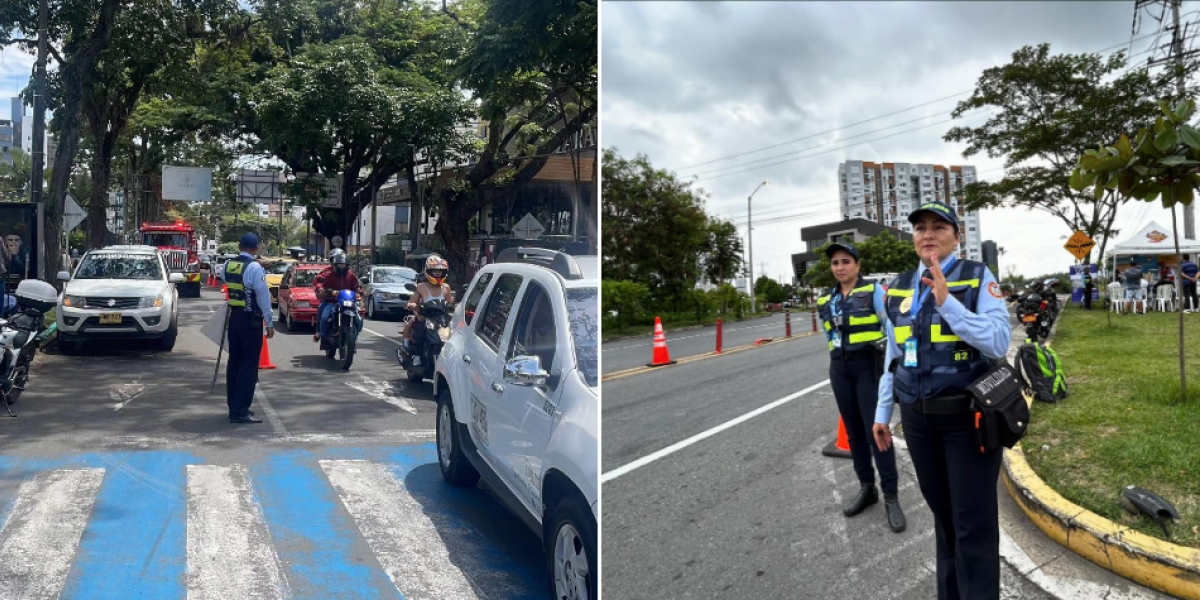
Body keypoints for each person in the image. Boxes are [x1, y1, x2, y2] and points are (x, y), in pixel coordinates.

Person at [872, 201, 1011, 600]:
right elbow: (894, 355)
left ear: (956, 235)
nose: (928, 234)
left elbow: (999, 340)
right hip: (917, 421)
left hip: (967, 420)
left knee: (973, 524)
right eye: (920, 228)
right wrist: (884, 410)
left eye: (938, 227)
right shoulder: (897, 287)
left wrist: (948, 302)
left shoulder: (976, 277)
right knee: (944, 518)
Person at [816, 242, 906, 532]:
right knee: (853, 433)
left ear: (857, 265)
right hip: (839, 368)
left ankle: (891, 495)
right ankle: (867, 488)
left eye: (845, 261)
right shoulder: (826, 299)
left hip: (869, 367)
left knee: (876, 430)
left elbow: (890, 328)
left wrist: (893, 367)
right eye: (835, 263)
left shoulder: (875, 292)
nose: (840, 267)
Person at [222, 233, 273, 424]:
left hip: (234, 318)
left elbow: (226, 284)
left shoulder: (228, 265)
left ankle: (233, 405)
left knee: (234, 361)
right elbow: (263, 297)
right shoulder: (254, 267)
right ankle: (240, 410)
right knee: (248, 365)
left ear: (239, 246)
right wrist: (269, 322)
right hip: (251, 321)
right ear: (255, 248)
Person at [403, 255, 453, 350]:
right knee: (412, 330)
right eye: (435, 271)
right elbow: (411, 302)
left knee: (450, 337)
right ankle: (409, 351)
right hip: (423, 317)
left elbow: (450, 304)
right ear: (429, 271)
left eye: (440, 271)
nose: (438, 273)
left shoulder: (446, 287)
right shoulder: (421, 286)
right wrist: (412, 305)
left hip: (441, 320)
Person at [313, 251, 362, 344]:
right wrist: (325, 290)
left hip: (348, 301)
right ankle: (322, 334)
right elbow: (321, 283)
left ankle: (355, 335)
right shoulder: (328, 274)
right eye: (339, 263)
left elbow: (356, 286)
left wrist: (359, 292)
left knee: (358, 318)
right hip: (333, 301)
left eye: (343, 264)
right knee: (324, 316)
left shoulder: (351, 275)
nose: (341, 265)